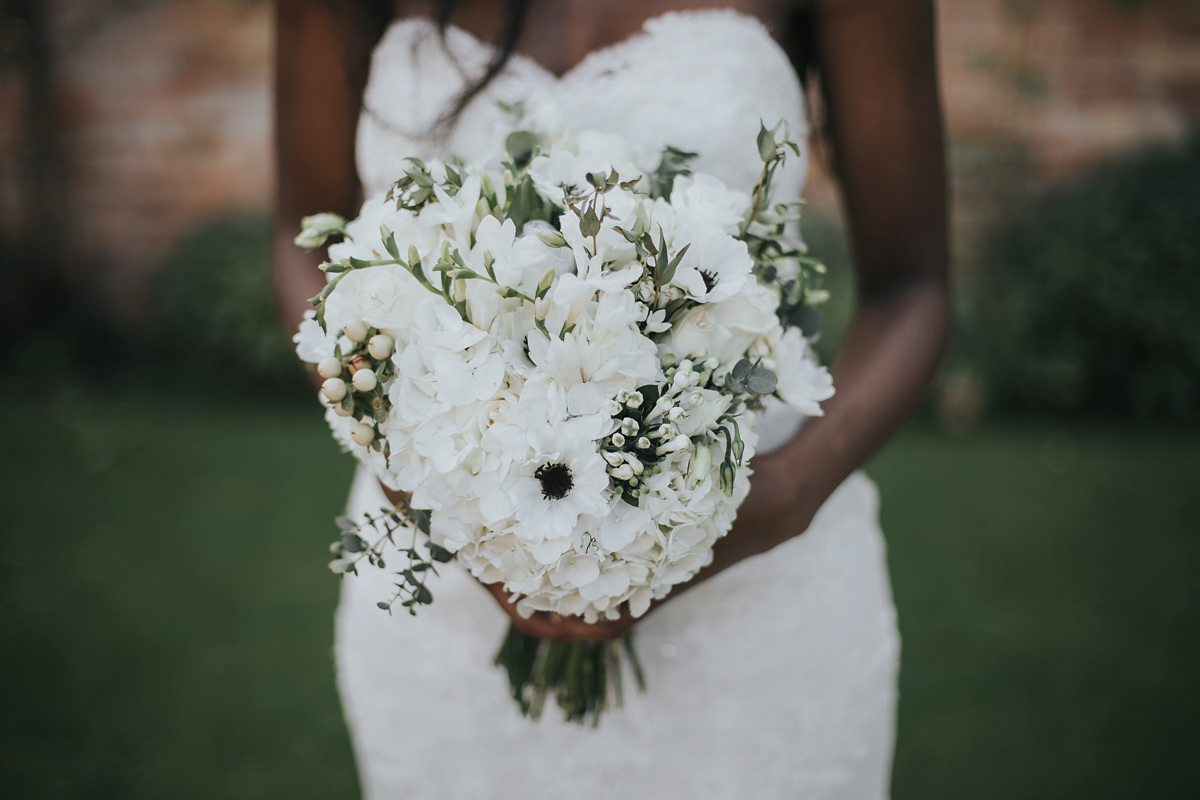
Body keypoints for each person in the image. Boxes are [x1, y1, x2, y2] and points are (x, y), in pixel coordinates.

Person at [274, 1, 950, 796]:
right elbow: (304, 237)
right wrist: (446, 499)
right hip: (444, 607)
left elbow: (914, 288)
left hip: (757, 601)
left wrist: (756, 510)